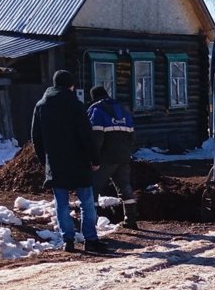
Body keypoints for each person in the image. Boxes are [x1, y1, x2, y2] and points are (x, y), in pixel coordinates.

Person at [31, 70, 107, 254]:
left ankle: (68, 241)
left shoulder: (41, 105)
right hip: (79, 162)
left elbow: (36, 137)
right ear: (71, 85)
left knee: (61, 203)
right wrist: (94, 159)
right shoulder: (76, 105)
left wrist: (45, 161)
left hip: (56, 163)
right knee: (87, 202)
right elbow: (86, 136)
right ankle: (90, 239)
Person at [88, 86, 138, 229]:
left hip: (105, 158)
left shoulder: (97, 111)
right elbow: (132, 136)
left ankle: (91, 223)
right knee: (125, 187)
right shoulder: (123, 110)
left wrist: (93, 157)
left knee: (92, 188)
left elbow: (96, 137)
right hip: (123, 156)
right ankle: (130, 220)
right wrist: (127, 152)